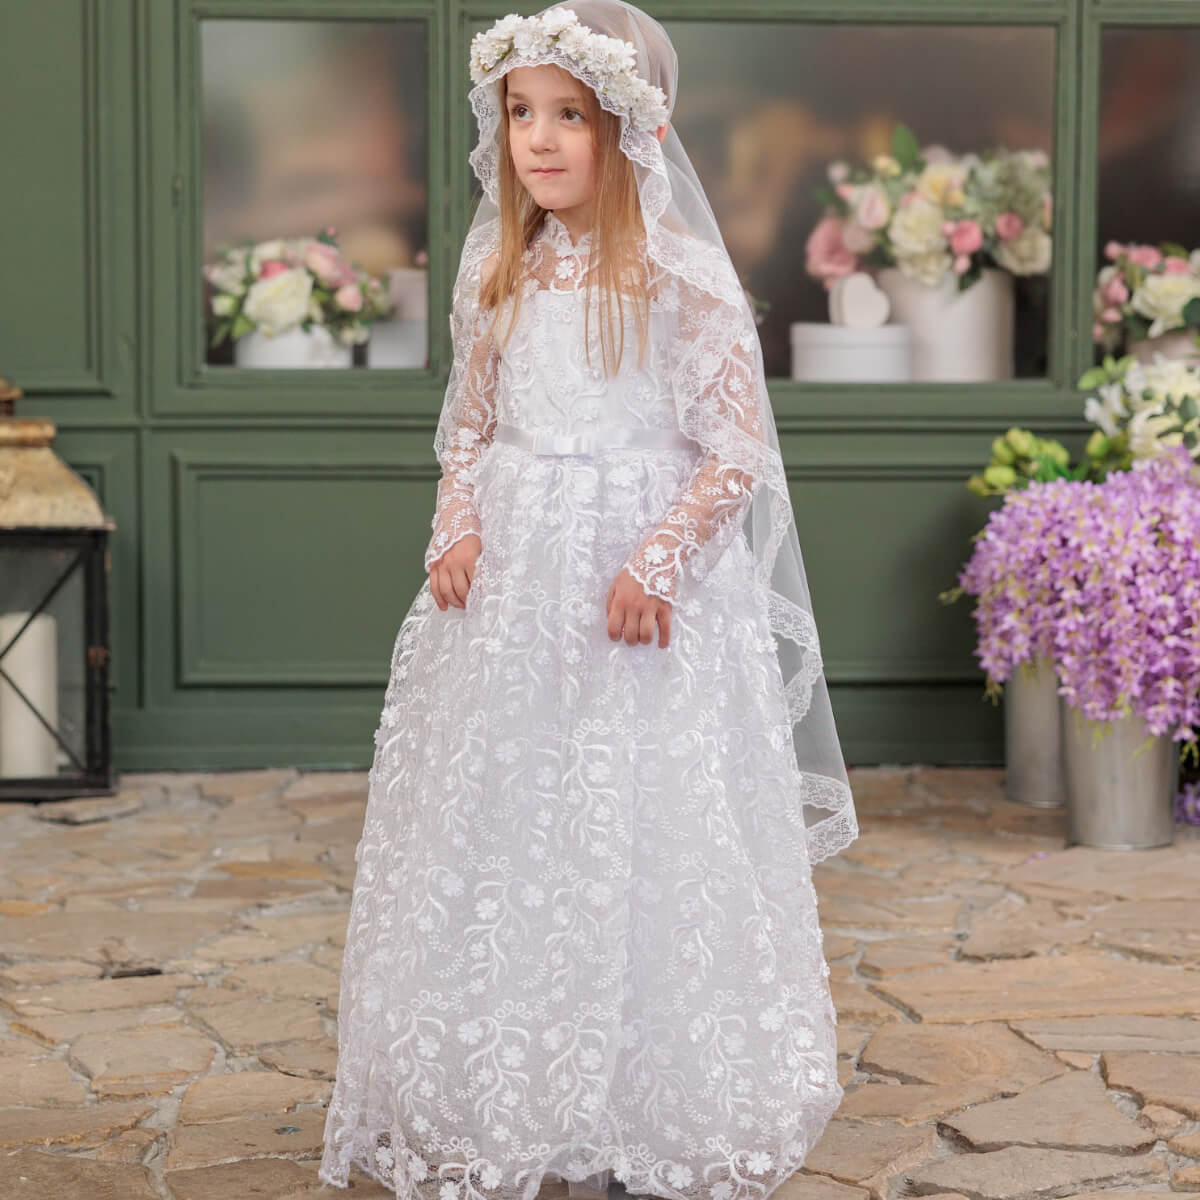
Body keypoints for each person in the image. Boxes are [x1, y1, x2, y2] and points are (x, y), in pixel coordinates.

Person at [319, 5, 859, 1199]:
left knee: (634, 816)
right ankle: (499, 1077)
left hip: (633, 591)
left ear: (629, 127)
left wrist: (657, 559)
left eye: (570, 115)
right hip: (511, 583)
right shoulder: (498, 266)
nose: (541, 141)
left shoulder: (676, 273)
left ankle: (642, 1083)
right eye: (522, 115)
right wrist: (454, 519)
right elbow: (470, 422)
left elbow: (731, 452)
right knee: (508, 822)